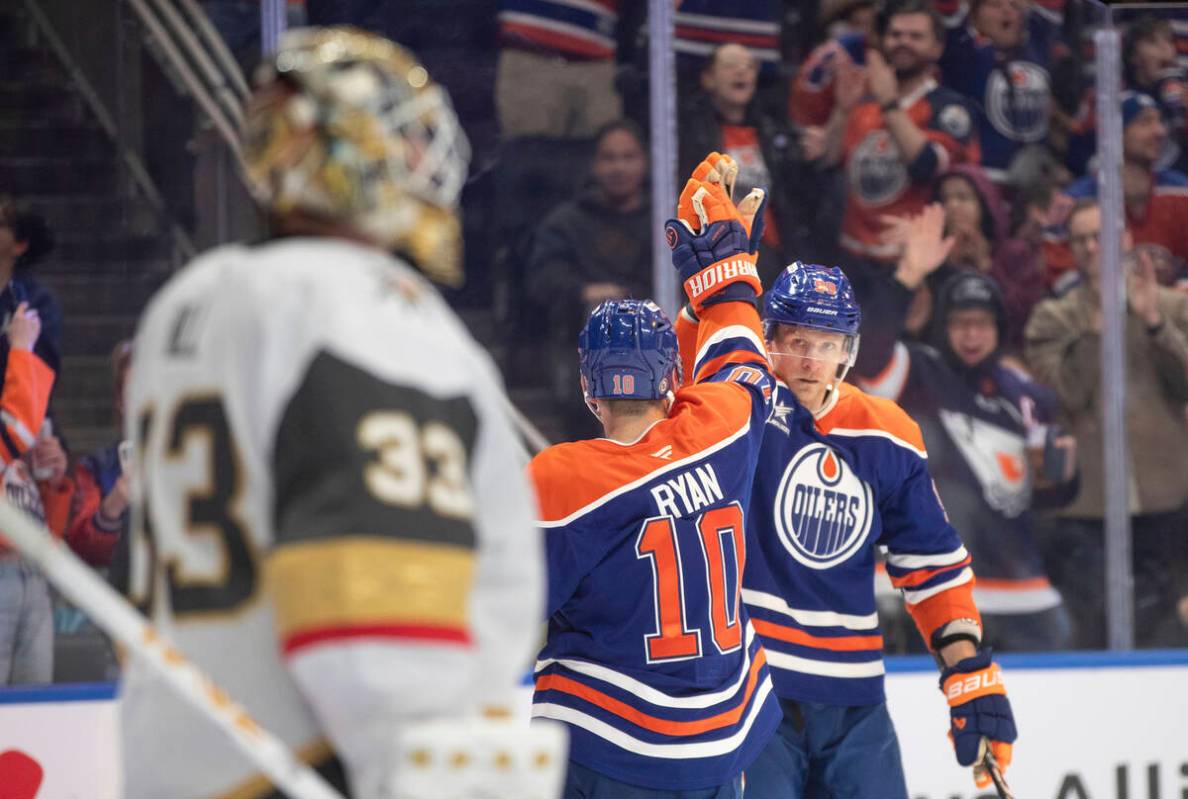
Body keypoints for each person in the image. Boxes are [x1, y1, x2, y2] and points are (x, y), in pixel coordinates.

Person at [120, 28, 545, 797]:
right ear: (351, 156)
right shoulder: (366, 311)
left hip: (184, 760)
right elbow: (380, 613)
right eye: (407, 140)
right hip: (315, 766)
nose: (426, 162)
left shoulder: (191, 300)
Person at [685, 253, 1019, 795]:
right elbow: (695, 362)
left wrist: (967, 672)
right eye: (795, 341)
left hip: (855, 697)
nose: (810, 361)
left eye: (826, 344)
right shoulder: (738, 411)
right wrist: (717, 287)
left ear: (848, 350)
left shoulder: (887, 432)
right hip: (752, 688)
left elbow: (931, 563)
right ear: (766, 338)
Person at [529, 154, 782, 797]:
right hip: (723, 742)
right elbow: (741, 361)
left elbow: (504, 612)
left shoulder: (563, 480)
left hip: (611, 746)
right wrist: (722, 284)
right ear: (672, 379)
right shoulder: (718, 429)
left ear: (590, 390)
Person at [854, 205, 1077, 652]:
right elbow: (869, 355)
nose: (971, 335)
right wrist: (908, 275)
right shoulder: (918, 372)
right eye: (959, 323)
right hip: (934, 585)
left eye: (981, 324)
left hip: (1018, 590)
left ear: (998, 328)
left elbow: (1042, 500)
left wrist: (1066, 479)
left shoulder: (1026, 397)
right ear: (943, 326)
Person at [1025, 198, 1188, 648]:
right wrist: (1097, 329)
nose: (1092, 248)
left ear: (1126, 240)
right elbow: (1063, 397)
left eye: (1101, 237)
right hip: (1088, 509)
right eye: (1080, 240)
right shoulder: (1052, 318)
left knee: (1168, 631)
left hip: (1167, 499)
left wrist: (1155, 324)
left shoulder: (1172, 306)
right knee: (1095, 629)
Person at [812, 0, 980, 265]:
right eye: (896, 35)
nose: (903, 42)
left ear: (937, 48)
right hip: (852, 255)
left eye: (916, 37)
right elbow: (831, 162)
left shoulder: (949, 110)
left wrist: (890, 105)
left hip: (910, 260)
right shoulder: (865, 101)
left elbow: (926, 166)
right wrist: (843, 112)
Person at [526, 120, 653, 439]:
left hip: (655, 349)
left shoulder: (665, 218)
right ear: (594, 165)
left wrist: (628, 297)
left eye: (628, 157)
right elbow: (542, 277)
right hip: (579, 348)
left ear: (646, 162)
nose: (619, 167)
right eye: (609, 158)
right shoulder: (566, 222)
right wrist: (584, 292)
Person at [679, 43, 814, 275]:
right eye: (730, 66)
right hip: (717, 257)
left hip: (770, 255)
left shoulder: (773, 131)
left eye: (748, 67)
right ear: (708, 79)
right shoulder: (688, 133)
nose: (741, 72)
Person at [1046, 92, 1188, 287]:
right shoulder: (1072, 202)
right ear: (1114, 134)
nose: (1160, 131)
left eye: (1159, 122)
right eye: (1145, 122)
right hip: (1099, 312)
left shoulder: (1180, 192)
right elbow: (1060, 278)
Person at [0, 302, 70, 684]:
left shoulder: (21, 431)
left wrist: (53, 482)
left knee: (35, 711)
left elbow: (49, 530)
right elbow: (15, 430)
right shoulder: (15, 427)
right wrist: (23, 348)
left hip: (34, 577)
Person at [936, 0, 1065, 184]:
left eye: (1014, 5)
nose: (1006, 11)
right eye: (995, 5)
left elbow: (1051, 6)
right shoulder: (963, 52)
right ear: (975, 16)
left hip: (1036, 178)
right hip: (983, 180)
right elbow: (949, 13)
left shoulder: (1037, 44)